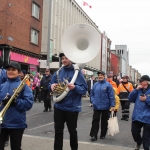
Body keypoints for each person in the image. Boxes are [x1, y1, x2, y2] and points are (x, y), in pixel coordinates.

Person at [49, 53, 88, 150]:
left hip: (72, 107)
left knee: (72, 131)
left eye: (66, 58)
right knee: (58, 131)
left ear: (71, 59)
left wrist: (75, 87)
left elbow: (84, 89)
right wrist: (51, 86)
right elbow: (51, 83)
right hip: (59, 106)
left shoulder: (77, 72)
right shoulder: (58, 72)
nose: (64, 60)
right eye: (62, 58)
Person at [0, 62, 34, 150]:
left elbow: (28, 104)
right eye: (9, 70)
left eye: (13, 70)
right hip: (2, 123)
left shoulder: (24, 87)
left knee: (15, 148)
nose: (10, 72)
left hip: (17, 123)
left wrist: (15, 101)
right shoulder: (2, 86)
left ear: (19, 72)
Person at [90, 71, 115, 141]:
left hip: (105, 106)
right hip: (96, 106)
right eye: (99, 75)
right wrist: (93, 101)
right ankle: (94, 135)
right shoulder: (95, 85)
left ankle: (103, 134)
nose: (100, 76)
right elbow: (92, 94)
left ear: (104, 76)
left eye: (101, 75)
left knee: (104, 121)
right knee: (95, 121)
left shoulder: (108, 85)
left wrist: (112, 105)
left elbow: (111, 96)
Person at [128, 75, 150, 150]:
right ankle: (138, 142)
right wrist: (136, 90)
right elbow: (130, 99)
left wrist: (146, 99)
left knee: (146, 137)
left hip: (148, 117)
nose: (140, 82)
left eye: (141, 81)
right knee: (134, 132)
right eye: (139, 81)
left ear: (146, 82)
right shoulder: (138, 90)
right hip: (137, 116)